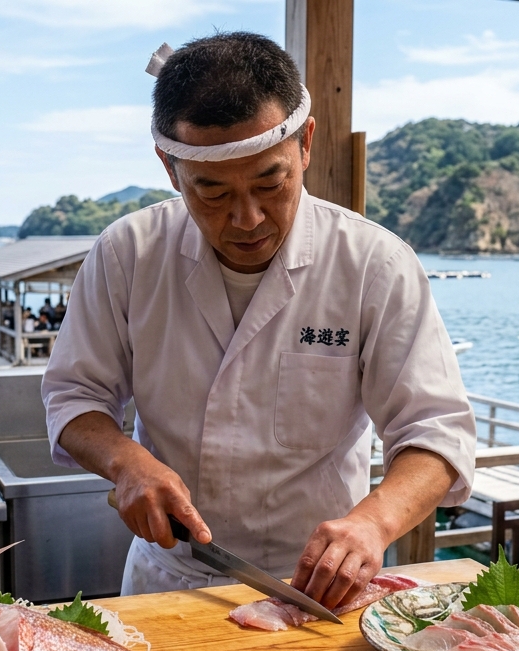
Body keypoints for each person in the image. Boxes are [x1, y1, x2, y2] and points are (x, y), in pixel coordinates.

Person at [41, 33, 476, 607]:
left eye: (271, 183)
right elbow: (74, 397)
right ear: (171, 169)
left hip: (320, 585)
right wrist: (126, 463)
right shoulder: (129, 253)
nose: (247, 219)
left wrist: (373, 523)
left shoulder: (374, 263)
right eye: (213, 192)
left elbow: (435, 431)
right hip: (171, 578)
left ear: (306, 145)